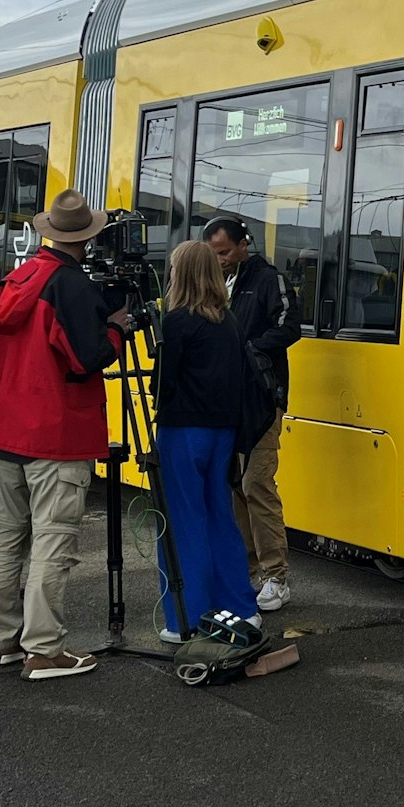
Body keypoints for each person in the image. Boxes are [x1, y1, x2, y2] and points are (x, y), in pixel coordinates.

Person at [0, 190, 131, 681]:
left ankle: (4, 640)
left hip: (8, 431)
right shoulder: (71, 287)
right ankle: (43, 649)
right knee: (52, 542)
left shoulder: (17, 278)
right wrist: (117, 330)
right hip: (56, 433)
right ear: (84, 239)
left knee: (7, 539)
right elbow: (86, 359)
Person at [153, 239, 261, 643]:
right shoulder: (228, 321)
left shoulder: (177, 321)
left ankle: (187, 616)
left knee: (182, 521)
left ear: (179, 274)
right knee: (220, 515)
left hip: (184, 432)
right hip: (223, 433)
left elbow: (162, 384)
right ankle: (241, 608)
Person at [203, 217, 299, 612]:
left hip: (261, 399)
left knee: (257, 482)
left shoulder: (267, 279)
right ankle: (252, 570)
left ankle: (276, 575)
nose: (219, 260)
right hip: (229, 400)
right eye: (213, 254)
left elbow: (289, 325)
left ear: (245, 244)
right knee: (236, 486)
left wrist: (248, 351)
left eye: (224, 252)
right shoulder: (214, 280)